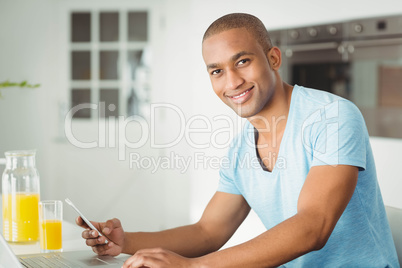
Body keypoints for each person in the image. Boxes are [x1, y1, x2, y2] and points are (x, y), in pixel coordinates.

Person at [77, 13, 399, 267]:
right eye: (216, 71)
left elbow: (313, 226)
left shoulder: (332, 116)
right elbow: (208, 231)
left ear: (273, 59)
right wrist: (126, 242)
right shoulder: (240, 149)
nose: (231, 82)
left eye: (242, 61)